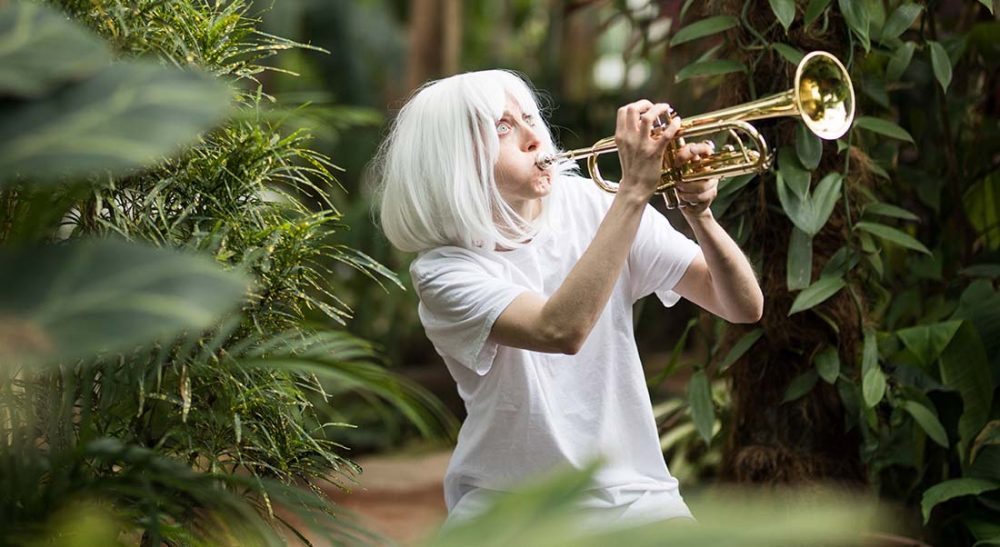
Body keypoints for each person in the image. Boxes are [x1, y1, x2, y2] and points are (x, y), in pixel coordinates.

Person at [371, 69, 763, 531]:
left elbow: (742, 305)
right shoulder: (443, 271)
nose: (534, 136)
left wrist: (699, 214)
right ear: (452, 160)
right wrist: (634, 191)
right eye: (502, 128)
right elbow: (560, 330)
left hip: (635, 494)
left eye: (528, 117)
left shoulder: (595, 202)